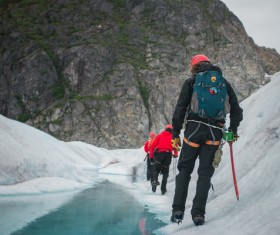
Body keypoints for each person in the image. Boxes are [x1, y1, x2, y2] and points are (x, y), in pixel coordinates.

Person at [170, 54, 243, 226]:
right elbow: (237, 111)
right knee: (205, 174)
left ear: (194, 67)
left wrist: (175, 135)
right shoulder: (223, 83)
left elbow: (180, 109)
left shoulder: (191, 82)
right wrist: (232, 131)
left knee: (185, 170)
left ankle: (178, 211)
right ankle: (198, 215)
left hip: (194, 130)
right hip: (215, 132)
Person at [149, 124, 178, 195]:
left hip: (159, 154)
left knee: (156, 169)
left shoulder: (159, 135)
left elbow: (152, 146)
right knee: (165, 172)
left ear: (165, 129)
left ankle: (155, 180)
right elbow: (176, 147)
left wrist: (151, 157)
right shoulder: (174, 137)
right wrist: (175, 154)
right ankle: (163, 189)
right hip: (168, 155)